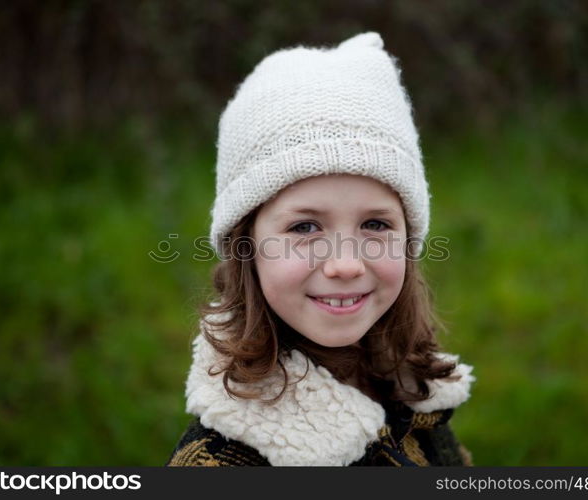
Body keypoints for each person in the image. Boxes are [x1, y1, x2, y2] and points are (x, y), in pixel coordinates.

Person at [166, 31, 475, 467]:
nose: (345, 264)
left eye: (375, 224)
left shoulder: (413, 393)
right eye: (305, 227)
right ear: (246, 245)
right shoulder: (223, 461)